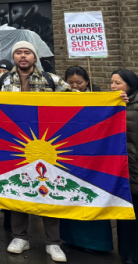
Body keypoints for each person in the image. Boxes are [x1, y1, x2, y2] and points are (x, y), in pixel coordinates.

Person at [0, 41, 71, 262]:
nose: (23, 56)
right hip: (13, 146)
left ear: (34, 56)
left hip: (45, 145)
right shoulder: (0, 80)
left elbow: (78, 101)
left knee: (49, 190)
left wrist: (114, 101)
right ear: (14, 57)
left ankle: (53, 242)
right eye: (19, 53)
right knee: (18, 187)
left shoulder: (52, 80)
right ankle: (20, 236)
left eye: (27, 52)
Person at [59, 66, 110, 253]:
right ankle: (71, 238)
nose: (74, 87)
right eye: (70, 83)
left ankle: (97, 243)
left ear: (87, 82)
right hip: (68, 155)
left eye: (79, 83)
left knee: (92, 196)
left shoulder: (100, 99)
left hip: (93, 155)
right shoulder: (60, 97)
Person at [114, 69, 138, 264]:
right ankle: (127, 252)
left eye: (118, 83)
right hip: (122, 170)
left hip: (135, 166)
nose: (113, 86)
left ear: (129, 85)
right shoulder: (114, 105)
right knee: (125, 215)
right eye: (112, 83)